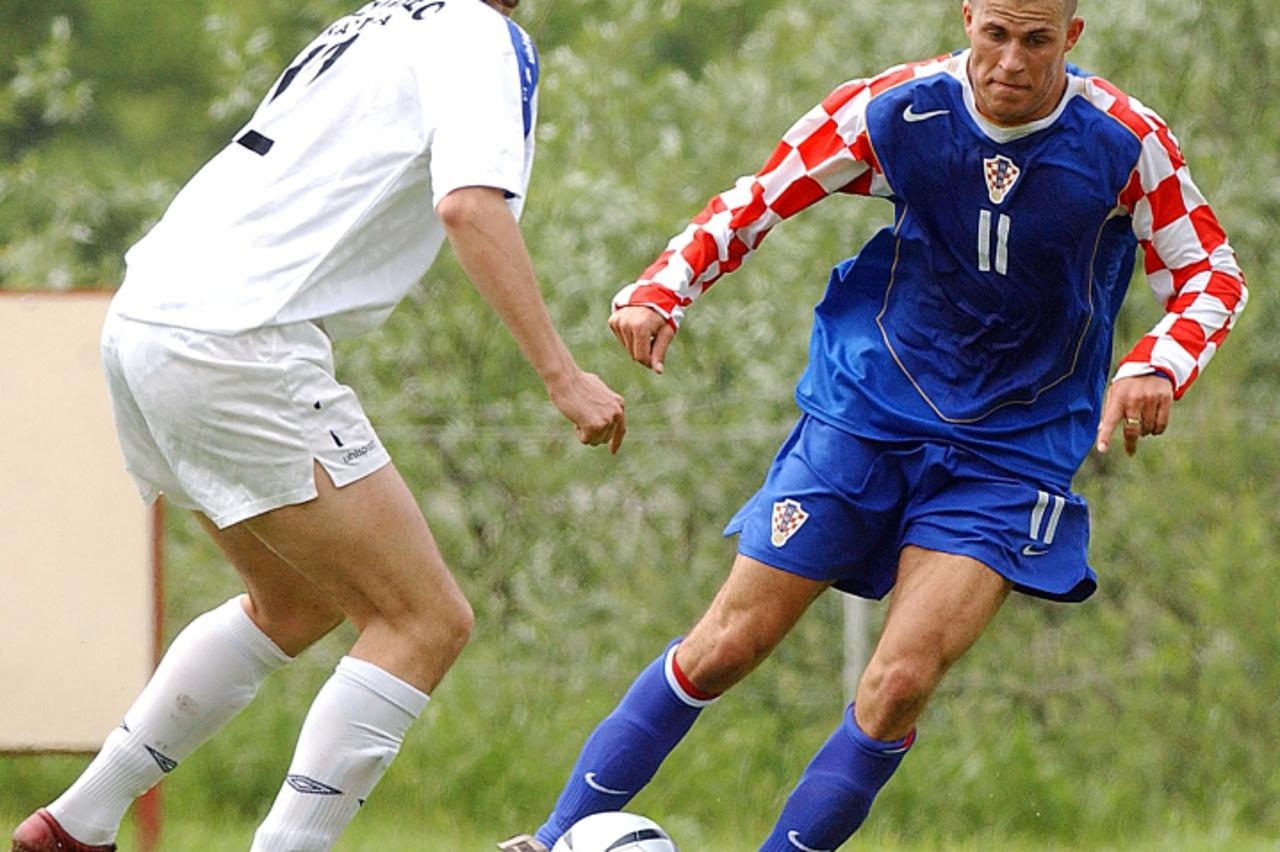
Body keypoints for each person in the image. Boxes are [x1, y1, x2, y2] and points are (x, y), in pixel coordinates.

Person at [499, 0, 1247, 849]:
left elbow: (1211, 273)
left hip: (1013, 452)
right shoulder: (896, 109)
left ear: (1071, 38)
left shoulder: (1123, 141)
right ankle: (555, 834)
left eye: (1036, 41)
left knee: (897, 684)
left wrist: (1159, 361)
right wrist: (665, 287)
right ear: (967, 17)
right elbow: (761, 196)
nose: (1011, 61)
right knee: (726, 645)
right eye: (995, 34)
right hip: (867, 413)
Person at [11, 1, 626, 851]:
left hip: (147, 319)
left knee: (293, 605)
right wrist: (564, 376)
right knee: (423, 620)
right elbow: (470, 208)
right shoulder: (483, 32)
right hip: (238, 341)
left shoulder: (371, 23)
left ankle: (77, 823)